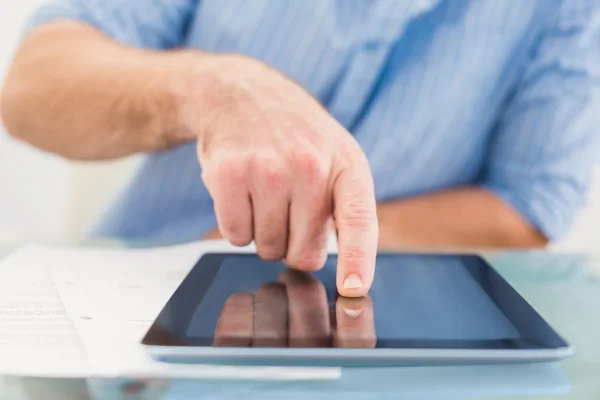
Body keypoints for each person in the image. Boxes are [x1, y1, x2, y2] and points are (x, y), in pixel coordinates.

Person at [1, 1, 599, 297]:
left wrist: (328, 231)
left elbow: (527, 205)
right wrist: (214, 90)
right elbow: (30, 88)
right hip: (129, 320)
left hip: (386, 340)